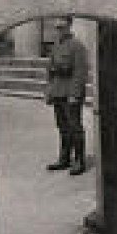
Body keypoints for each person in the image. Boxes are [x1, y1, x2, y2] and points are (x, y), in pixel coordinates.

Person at [45, 16, 91, 175]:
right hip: (58, 92)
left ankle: (79, 161)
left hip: (70, 93)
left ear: (69, 26)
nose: (59, 30)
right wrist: (49, 92)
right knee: (62, 127)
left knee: (75, 127)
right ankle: (64, 159)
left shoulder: (77, 46)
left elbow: (80, 72)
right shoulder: (55, 45)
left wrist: (75, 94)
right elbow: (50, 70)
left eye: (62, 27)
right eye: (57, 27)